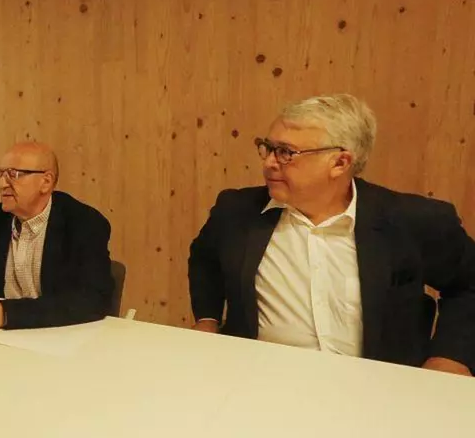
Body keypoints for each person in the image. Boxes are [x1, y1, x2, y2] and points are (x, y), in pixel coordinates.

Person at [188, 94, 475, 375]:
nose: (269, 163)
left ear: (340, 163)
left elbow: (469, 284)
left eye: (286, 152)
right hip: (262, 380)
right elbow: (205, 259)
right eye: (267, 148)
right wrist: (207, 319)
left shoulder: (412, 220)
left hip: (380, 388)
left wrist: (451, 357)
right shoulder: (236, 213)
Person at [0, 142, 114, 329]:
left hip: (56, 334)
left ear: (46, 182)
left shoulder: (84, 223)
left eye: (13, 174)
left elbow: (94, 298)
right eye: (0, 174)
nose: (2, 184)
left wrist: (7, 314)